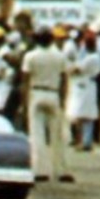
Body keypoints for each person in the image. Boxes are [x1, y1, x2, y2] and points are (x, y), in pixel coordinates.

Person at [21, 27, 72, 183]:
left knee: (37, 135)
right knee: (58, 135)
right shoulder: (60, 56)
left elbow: (25, 81)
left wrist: (24, 103)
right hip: (53, 93)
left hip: (36, 92)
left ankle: (40, 170)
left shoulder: (30, 56)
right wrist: (63, 99)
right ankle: (61, 170)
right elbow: (64, 80)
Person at [65, 34, 100, 151]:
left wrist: (70, 67)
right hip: (86, 86)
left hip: (86, 86)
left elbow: (76, 69)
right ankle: (83, 140)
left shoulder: (92, 58)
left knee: (85, 115)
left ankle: (85, 142)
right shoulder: (90, 57)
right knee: (82, 115)